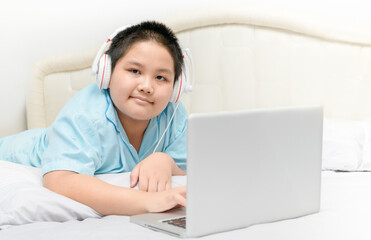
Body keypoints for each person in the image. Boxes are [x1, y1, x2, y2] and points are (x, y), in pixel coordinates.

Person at [0, 21, 191, 216]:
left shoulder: (174, 116)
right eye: (135, 71)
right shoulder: (86, 113)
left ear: (176, 88)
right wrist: (148, 201)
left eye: (161, 78)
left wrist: (165, 161)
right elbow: (59, 180)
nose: (146, 86)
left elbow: (186, 174)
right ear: (106, 72)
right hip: (11, 154)